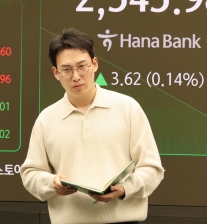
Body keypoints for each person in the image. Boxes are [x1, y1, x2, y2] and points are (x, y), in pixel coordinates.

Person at [21, 28, 164, 224]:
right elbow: (30, 173)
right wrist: (51, 184)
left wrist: (124, 189)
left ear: (95, 64)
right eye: (67, 69)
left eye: (82, 66)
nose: (76, 76)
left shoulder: (127, 108)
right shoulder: (46, 119)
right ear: (56, 73)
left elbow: (152, 167)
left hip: (124, 221)